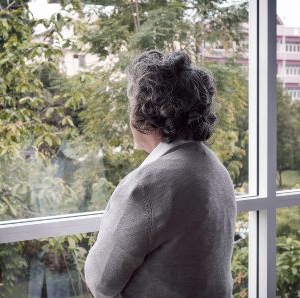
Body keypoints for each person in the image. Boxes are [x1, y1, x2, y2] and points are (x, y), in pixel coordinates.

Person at [83, 50, 237, 297]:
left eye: (130, 104)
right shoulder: (213, 167)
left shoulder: (146, 186)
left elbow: (100, 282)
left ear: (145, 112)